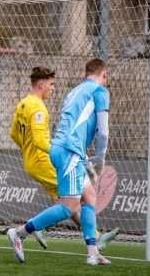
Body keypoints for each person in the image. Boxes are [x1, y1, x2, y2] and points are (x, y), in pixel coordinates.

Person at [7, 58, 112, 265]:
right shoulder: (100, 92)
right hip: (68, 151)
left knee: (89, 196)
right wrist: (100, 157)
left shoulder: (73, 92)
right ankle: (19, 232)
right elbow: (104, 132)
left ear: (84, 75)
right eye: (51, 84)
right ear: (105, 74)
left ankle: (93, 252)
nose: (53, 88)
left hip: (63, 150)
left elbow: (15, 134)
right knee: (71, 206)